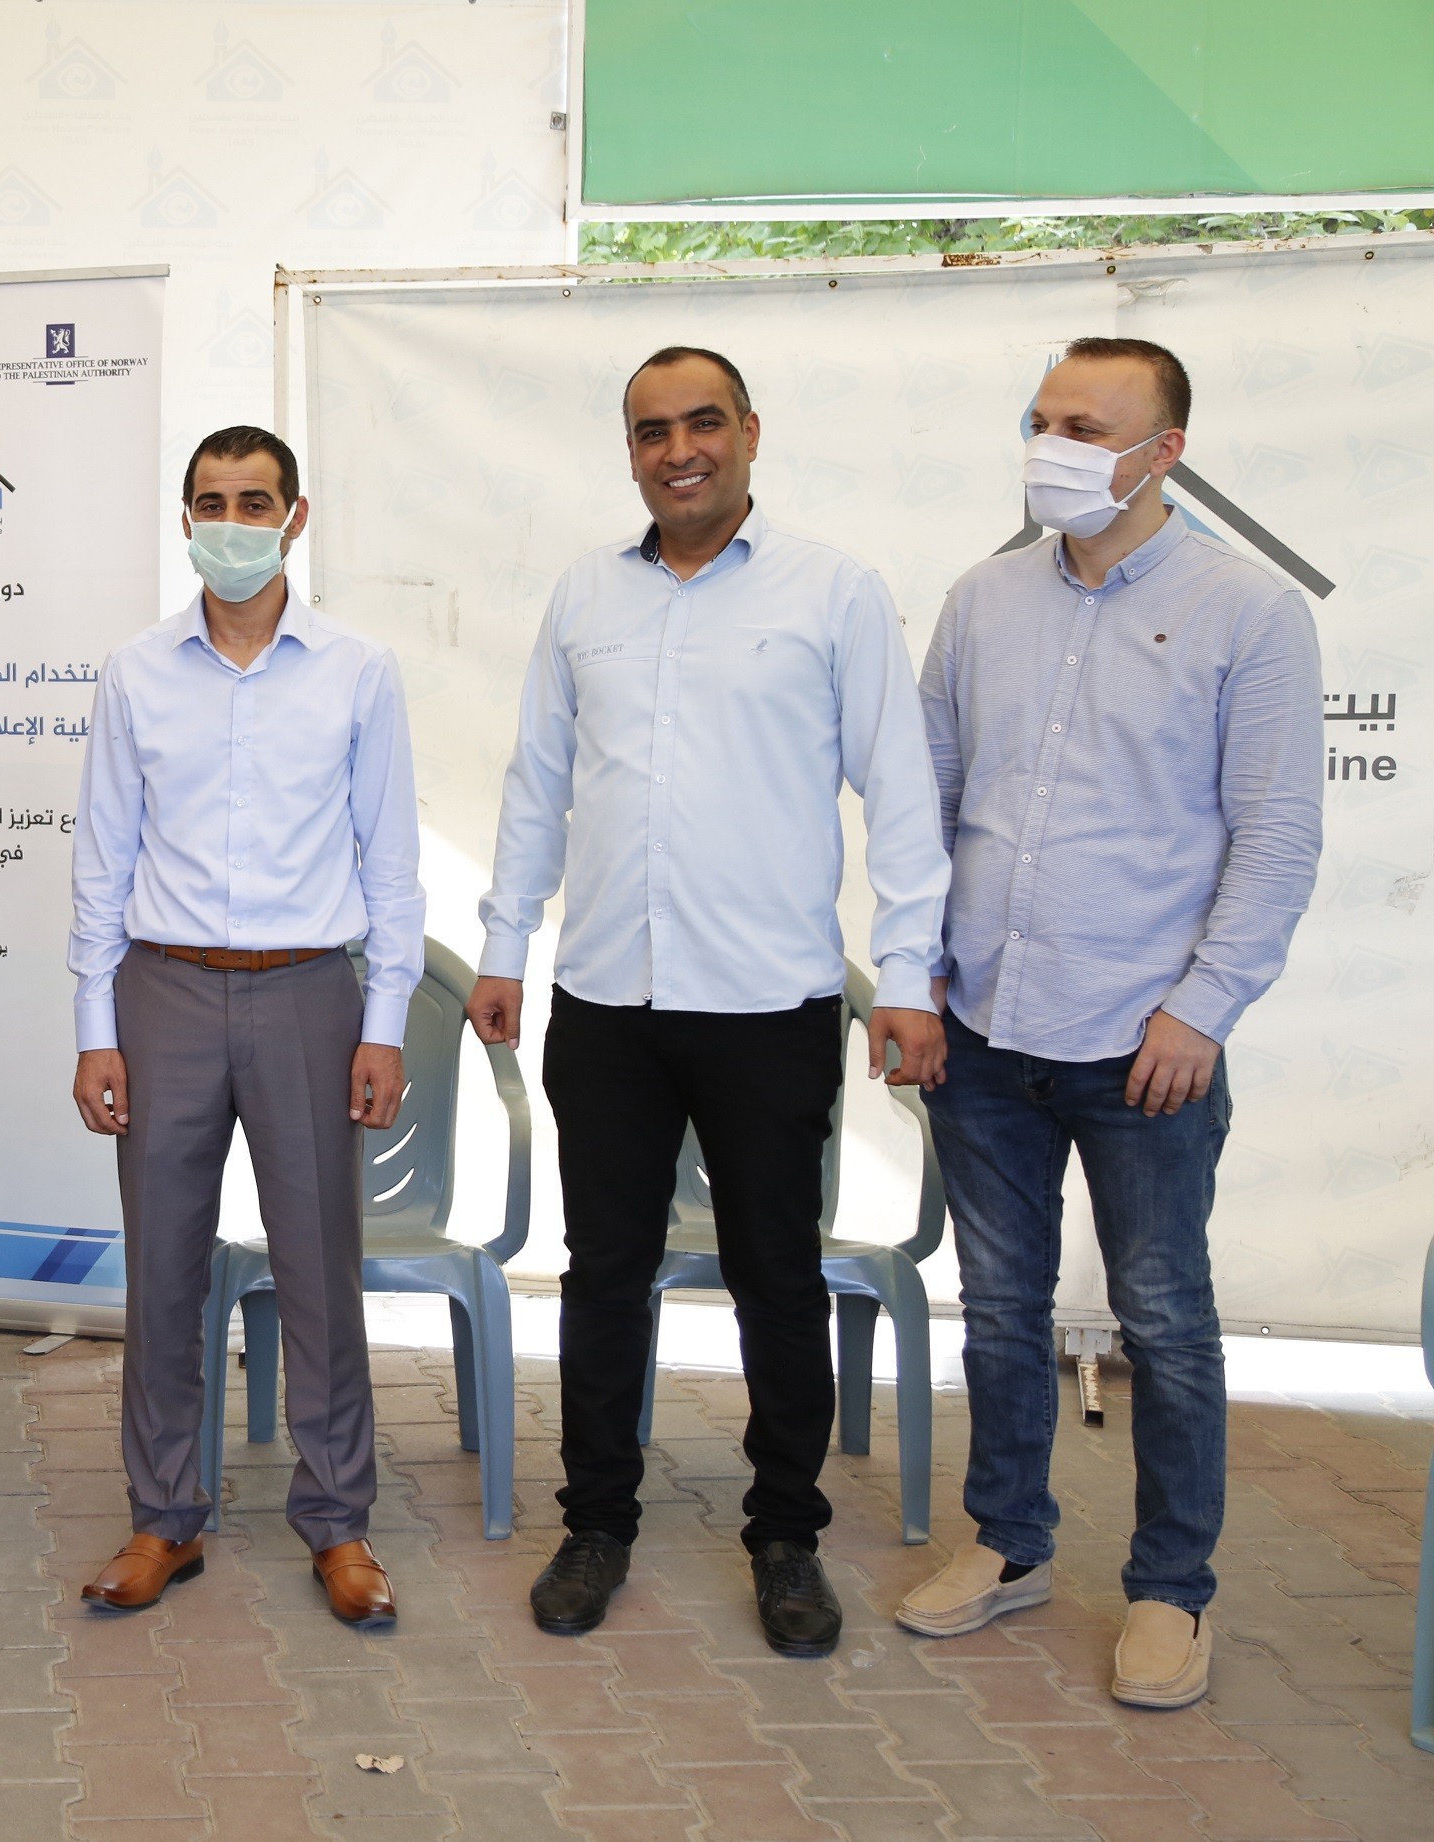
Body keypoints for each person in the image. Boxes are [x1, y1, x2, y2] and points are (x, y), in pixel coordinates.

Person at [469, 347, 950, 1657]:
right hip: (607, 1000)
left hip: (766, 1002)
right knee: (603, 1275)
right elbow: (537, 783)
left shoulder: (834, 592)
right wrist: (505, 945)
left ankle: (786, 1536)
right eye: (650, 431)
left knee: (776, 1281)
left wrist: (909, 976)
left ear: (749, 432)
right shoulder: (586, 594)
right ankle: (596, 1523)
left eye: (701, 424)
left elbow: (903, 796)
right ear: (629, 451)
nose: (677, 450)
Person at [894, 338, 1320, 1709]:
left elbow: (1278, 836)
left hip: (1147, 1044)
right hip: (985, 1030)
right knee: (1000, 1309)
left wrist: (1205, 1006)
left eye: (1086, 426)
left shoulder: (1247, 611)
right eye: (1042, 419)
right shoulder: (984, 600)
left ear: (1164, 451)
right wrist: (913, 970)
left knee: (1166, 1320)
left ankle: (1170, 1588)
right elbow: (924, 803)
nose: (1053, 445)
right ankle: (1010, 1542)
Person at [65, 426, 422, 1630]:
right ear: (186, 521)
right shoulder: (135, 673)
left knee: (320, 1267)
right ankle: (165, 1517)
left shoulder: (358, 671)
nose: (232, 523)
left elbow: (392, 861)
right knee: (163, 1267)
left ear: (294, 518)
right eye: (211, 503)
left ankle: (338, 1521)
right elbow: (103, 860)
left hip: (310, 992)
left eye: (254, 502)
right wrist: (95, 1025)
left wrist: (384, 1023)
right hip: (161, 994)